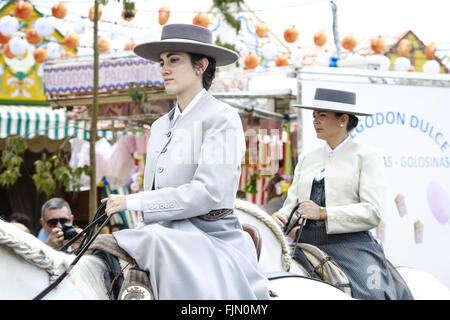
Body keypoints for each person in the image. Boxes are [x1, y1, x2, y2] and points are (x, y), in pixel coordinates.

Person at [102, 24, 269, 300]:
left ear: (200, 65)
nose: (164, 69)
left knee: (150, 241)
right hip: (159, 230)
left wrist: (134, 201)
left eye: (174, 60)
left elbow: (208, 192)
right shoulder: (158, 126)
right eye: (162, 62)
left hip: (211, 235)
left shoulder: (222, 118)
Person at [272, 88, 413, 300]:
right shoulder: (308, 158)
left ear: (343, 119)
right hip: (305, 244)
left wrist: (323, 212)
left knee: (372, 295)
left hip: (350, 246)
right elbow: (293, 204)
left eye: (322, 115)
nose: (315, 121)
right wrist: (280, 217)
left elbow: (373, 212)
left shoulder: (366, 156)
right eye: (314, 116)